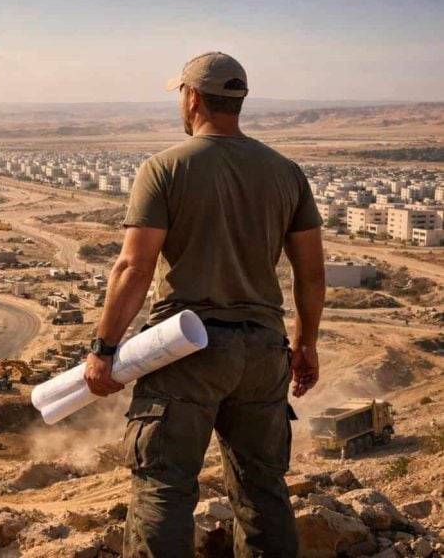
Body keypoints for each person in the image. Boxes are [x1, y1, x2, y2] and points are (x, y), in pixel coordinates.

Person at [83, 51, 325, 557]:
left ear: (192, 97)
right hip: (262, 352)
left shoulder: (165, 168)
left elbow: (134, 267)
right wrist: (305, 345)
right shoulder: (287, 172)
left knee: (164, 488)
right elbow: (310, 272)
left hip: (185, 348)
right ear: (238, 101)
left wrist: (103, 347)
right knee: (263, 490)